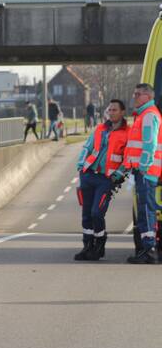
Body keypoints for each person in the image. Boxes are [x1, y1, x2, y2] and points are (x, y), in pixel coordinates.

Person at [74, 99, 128, 261]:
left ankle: (99, 245)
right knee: (86, 214)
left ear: (122, 112)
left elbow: (129, 158)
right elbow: (87, 147)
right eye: (109, 110)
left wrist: (118, 174)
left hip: (107, 179)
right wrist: (81, 165)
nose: (111, 113)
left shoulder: (128, 133)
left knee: (97, 213)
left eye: (114, 110)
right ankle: (87, 246)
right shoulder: (99, 129)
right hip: (88, 175)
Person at [123, 83, 162, 264]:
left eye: (137, 94)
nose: (135, 97)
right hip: (143, 171)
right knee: (145, 209)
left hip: (146, 171)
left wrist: (143, 167)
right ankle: (148, 248)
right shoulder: (144, 115)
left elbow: (150, 144)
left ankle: (149, 250)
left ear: (147, 96)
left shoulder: (149, 116)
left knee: (146, 210)